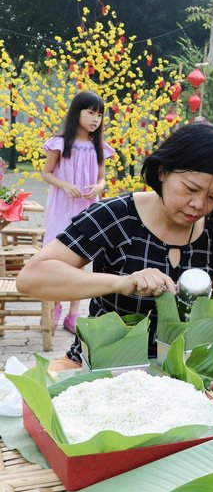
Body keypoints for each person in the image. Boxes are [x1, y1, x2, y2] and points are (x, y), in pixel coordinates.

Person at [17, 121, 213, 367]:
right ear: (162, 171)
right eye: (191, 189)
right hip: (102, 367)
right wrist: (122, 283)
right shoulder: (116, 216)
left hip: (182, 374)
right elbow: (31, 278)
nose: (199, 205)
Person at [40, 91, 115, 333]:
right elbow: (46, 173)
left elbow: (102, 178)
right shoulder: (60, 143)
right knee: (56, 256)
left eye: (100, 114)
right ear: (77, 112)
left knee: (79, 258)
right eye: (91, 112)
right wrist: (65, 185)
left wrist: (98, 187)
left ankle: (74, 315)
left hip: (87, 208)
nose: (96, 119)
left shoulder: (100, 147)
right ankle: (56, 304)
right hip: (62, 206)